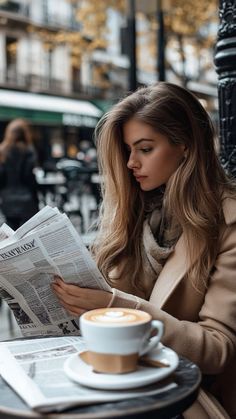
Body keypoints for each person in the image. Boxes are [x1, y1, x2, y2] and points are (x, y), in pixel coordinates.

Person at [52, 83, 236, 419]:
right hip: (109, 379)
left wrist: (118, 307)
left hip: (179, 396)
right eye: (127, 150)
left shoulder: (228, 223)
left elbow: (217, 348)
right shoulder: (135, 213)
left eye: (145, 149)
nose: (131, 163)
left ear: (185, 145)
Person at [0, 118, 39, 229]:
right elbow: (28, 177)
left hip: (7, 200)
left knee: (12, 234)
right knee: (28, 234)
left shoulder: (2, 151)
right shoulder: (28, 150)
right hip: (27, 200)